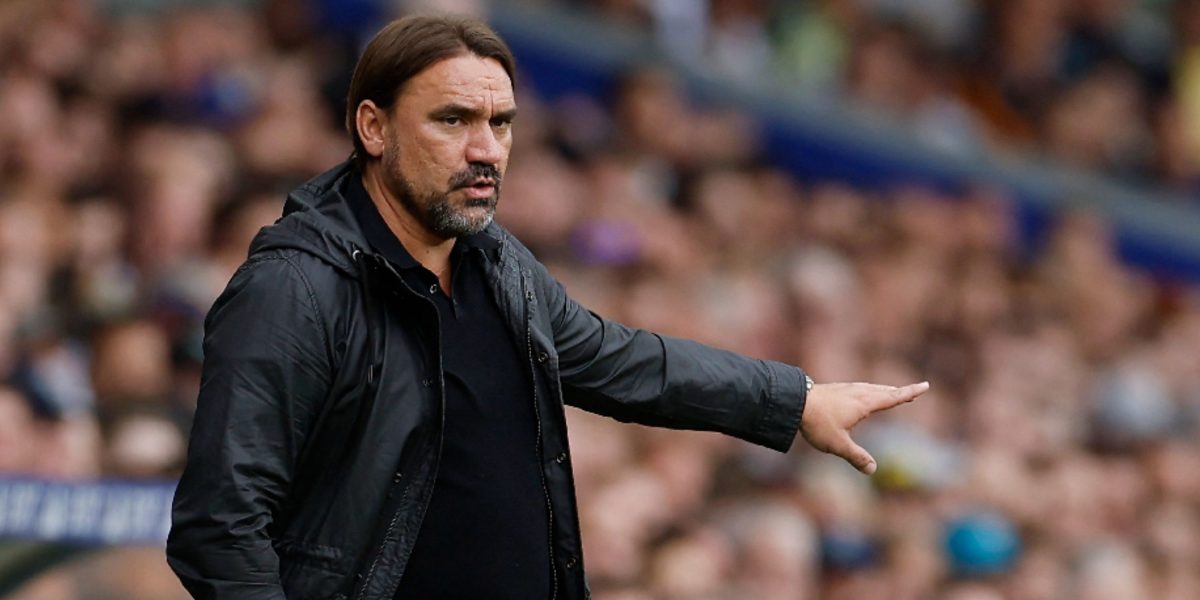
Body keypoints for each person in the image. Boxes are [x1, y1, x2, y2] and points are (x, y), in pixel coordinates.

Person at [165, 14, 929, 600]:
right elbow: (219, 527)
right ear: (373, 127)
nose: (486, 150)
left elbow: (625, 362)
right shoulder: (294, 288)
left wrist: (795, 400)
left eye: (500, 124)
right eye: (452, 120)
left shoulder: (498, 264)